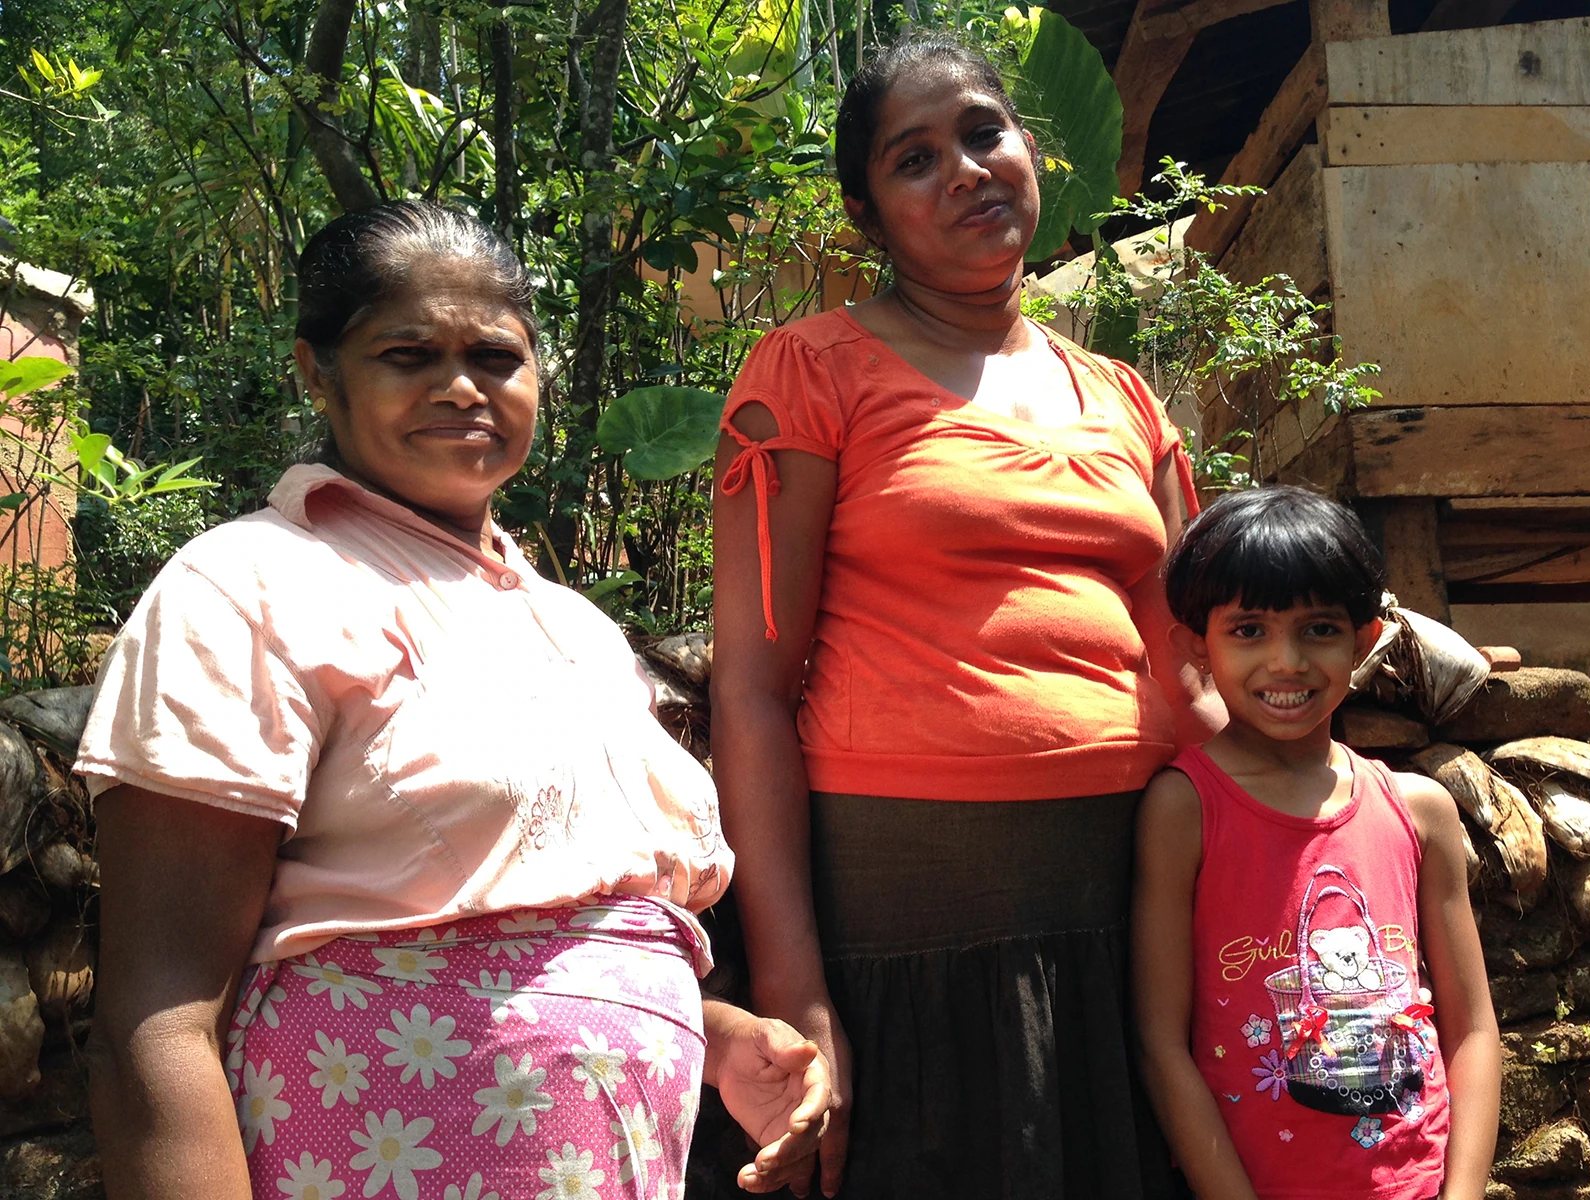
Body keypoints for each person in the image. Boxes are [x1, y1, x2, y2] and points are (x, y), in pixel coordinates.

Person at [78, 201, 829, 1200]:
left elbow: (584, 926)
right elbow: (157, 1022)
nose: (461, 387)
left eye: (496, 356)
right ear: (318, 369)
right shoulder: (247, 588)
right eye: (407, 353)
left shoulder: (575, 630)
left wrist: (724, 1036)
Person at [708, 32, 1220, 1200]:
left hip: (1133, 915)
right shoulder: (812, 373)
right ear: (864, 215)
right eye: (915, 158)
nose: (967, 169)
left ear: (1032, 148)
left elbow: (1193, 664)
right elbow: (749, 687)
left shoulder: (1124, 397)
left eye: (985, 131)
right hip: (909, 926)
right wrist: (798, 995)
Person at [1131, 486, 1501, 1200]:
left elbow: (1473, 1031)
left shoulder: (1420, 811)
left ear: (1364, 640)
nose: (1288, 661)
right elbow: (1160, 1044)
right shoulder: (1184, 809)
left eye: (1319, 629)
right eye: (1249, 631)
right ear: (1194, 646)